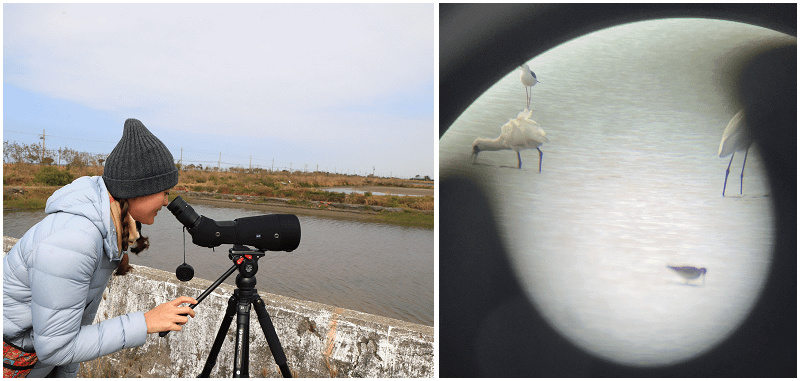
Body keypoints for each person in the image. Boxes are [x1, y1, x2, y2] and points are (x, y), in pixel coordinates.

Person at [3, 119, 198, 378]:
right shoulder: (75, 239)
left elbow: (74, 325)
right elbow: (56, 347)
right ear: (135, 190)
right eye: (163, 190)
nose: (166, 200)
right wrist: (145, 322)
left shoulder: (110, 229)